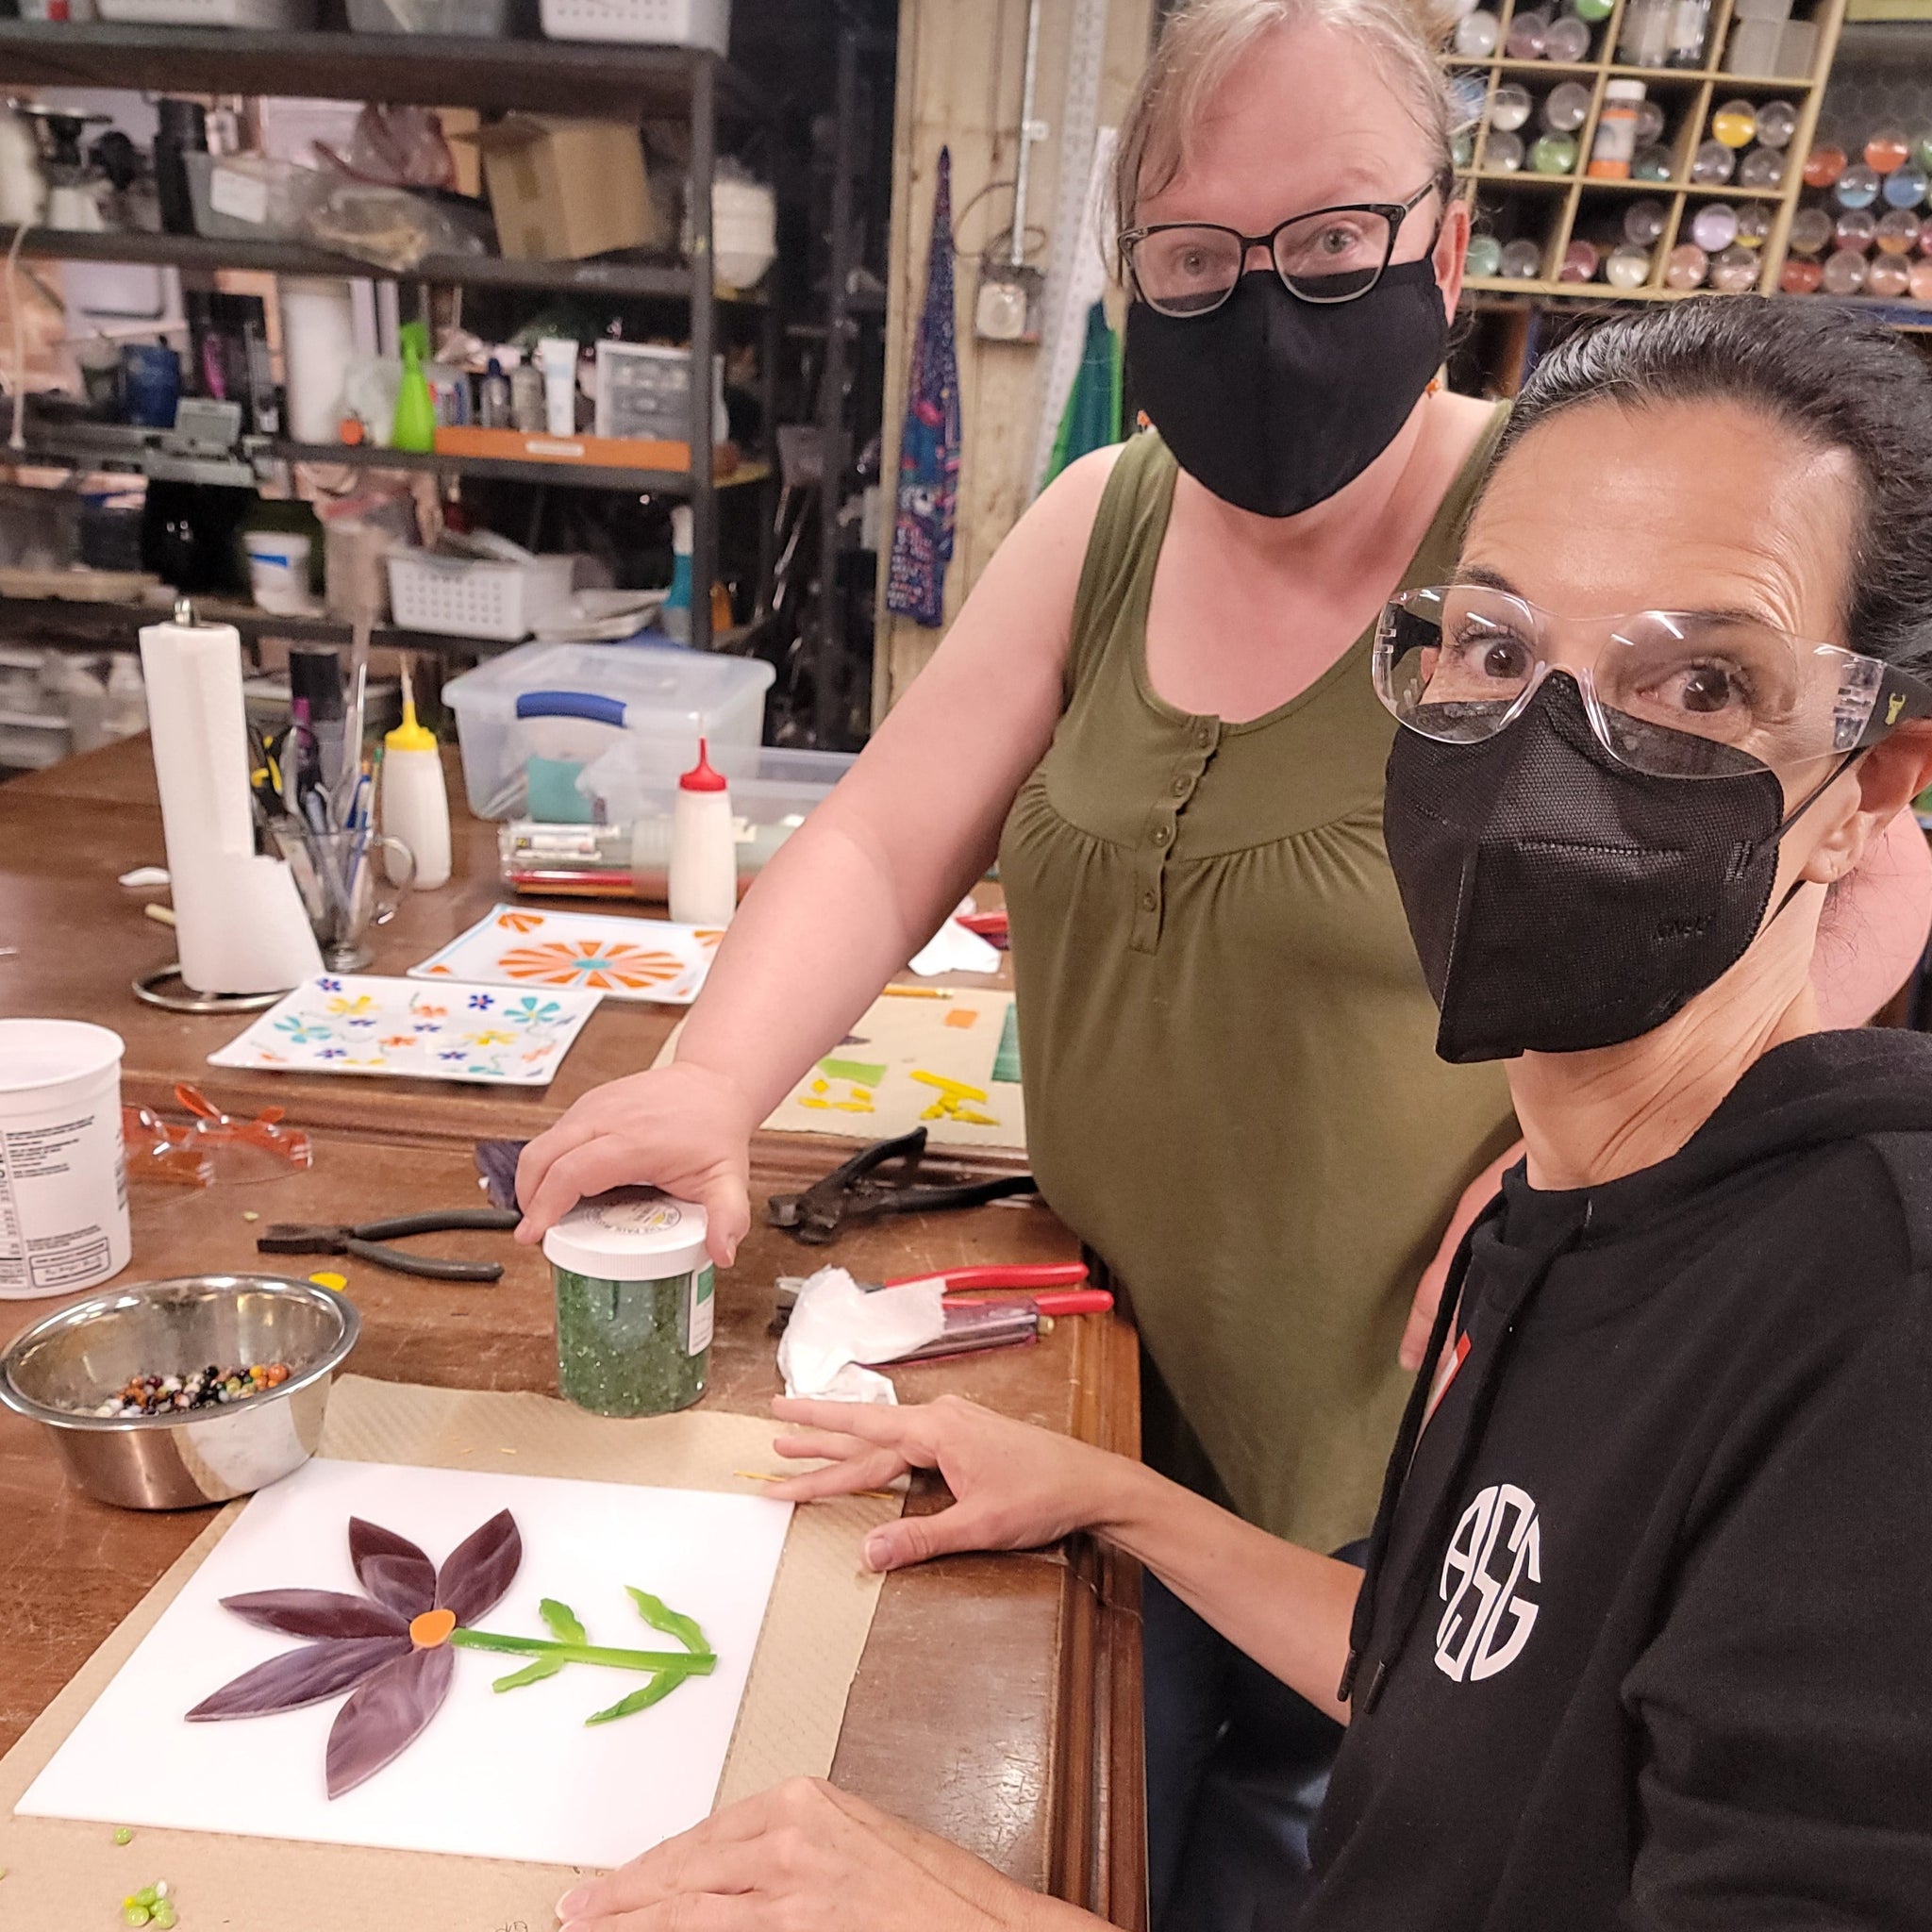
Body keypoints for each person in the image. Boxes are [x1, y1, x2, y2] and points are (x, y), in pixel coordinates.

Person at [518, 2, 1929, 1911]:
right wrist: (711, 1083)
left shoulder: (1579, 514)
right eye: (1194, 259)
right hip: (1126, 1379)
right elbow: (878, 835)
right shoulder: (1109, 520)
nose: (1270, 310)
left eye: (1333, 240)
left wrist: (1634, 1173)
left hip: (1404, 1419)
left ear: (1444, 244)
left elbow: (1857, 862)